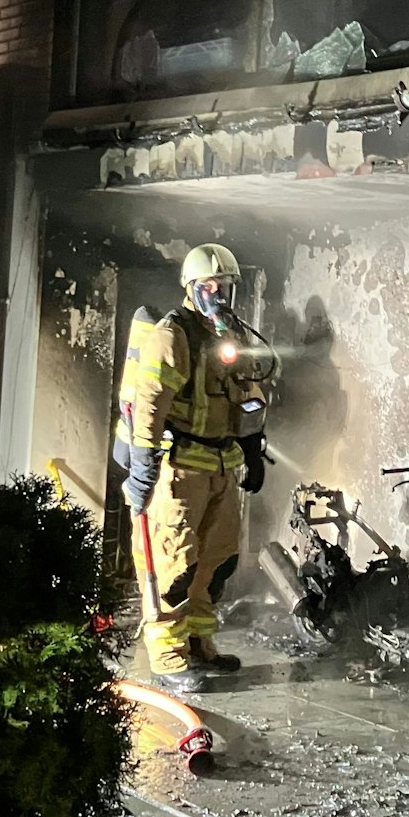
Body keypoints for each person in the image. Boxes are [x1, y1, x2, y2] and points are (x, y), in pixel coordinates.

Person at [120, 243, 272, 693]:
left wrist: (252, 451)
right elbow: (150, 404)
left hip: (222, 467)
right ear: (191, 287)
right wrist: (143, 469)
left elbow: (248, 395)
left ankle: (199, 645)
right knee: (174, 566)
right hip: (180, 470)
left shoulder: (232, 336)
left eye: (225, 286)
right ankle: (168, 659)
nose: (219, 294)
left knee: (217, 562)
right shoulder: (173, 335)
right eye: (210, 286)